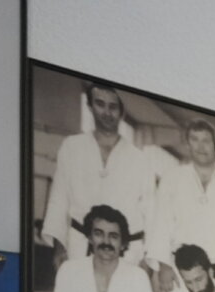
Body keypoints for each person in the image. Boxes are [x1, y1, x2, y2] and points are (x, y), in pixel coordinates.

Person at [41, 82, 155, 266]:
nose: (106, 113)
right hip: (79, 246)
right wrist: (59, 246)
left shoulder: (140, 159)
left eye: (113, 107)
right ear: (89, 106)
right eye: (100, 104)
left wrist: (148, 259)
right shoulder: (72, 147)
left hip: (126, 252)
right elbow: (59, 198)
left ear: (122, 112)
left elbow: (150, 210)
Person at [148, 119, 215, 292]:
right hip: (182, 276)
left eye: (206, 141)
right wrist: (163, 266)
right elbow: (160, 225)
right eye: (195, 139)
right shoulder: (172, 180)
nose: (200, 146)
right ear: (188, 145)